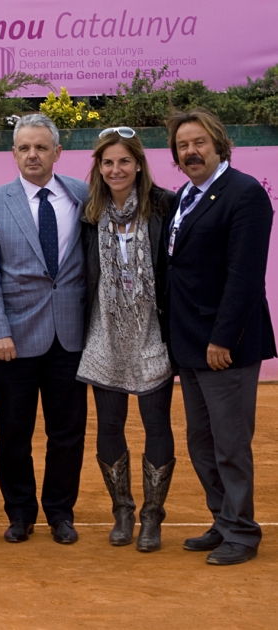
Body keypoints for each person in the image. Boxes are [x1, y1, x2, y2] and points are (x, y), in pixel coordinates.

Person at [162, 108, 276, 566]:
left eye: (199, 142)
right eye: (183, 146)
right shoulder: (186, 196)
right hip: (189, 341)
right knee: (201, 442)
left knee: (230, 443)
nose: (190, 151)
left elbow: (245, 277)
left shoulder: (244, 194)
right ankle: (223, 519)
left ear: (219, 144)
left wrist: (222, 339)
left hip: (224, 346)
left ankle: (243, 533)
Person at [0, 114, 88, 545]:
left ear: (58, 152)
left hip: (71, 335)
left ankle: (61, 513)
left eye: (41, 147)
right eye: (24, 148)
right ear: (14, 154)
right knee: (14, 432)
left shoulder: (82, 194)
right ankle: (19, 513)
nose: (33, 155)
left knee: (67, 432)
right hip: (13, 342)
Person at [76, 127, 176, 551]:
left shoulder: (165, 205)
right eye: (108, 162)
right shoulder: (89, 212)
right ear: (98, 167)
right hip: (104, 331)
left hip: (152, 331)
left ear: (138, 164)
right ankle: (123, 510)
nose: (116, 169)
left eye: (124, 161)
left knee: (156, 423)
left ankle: (153, 516)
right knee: (110, 424)